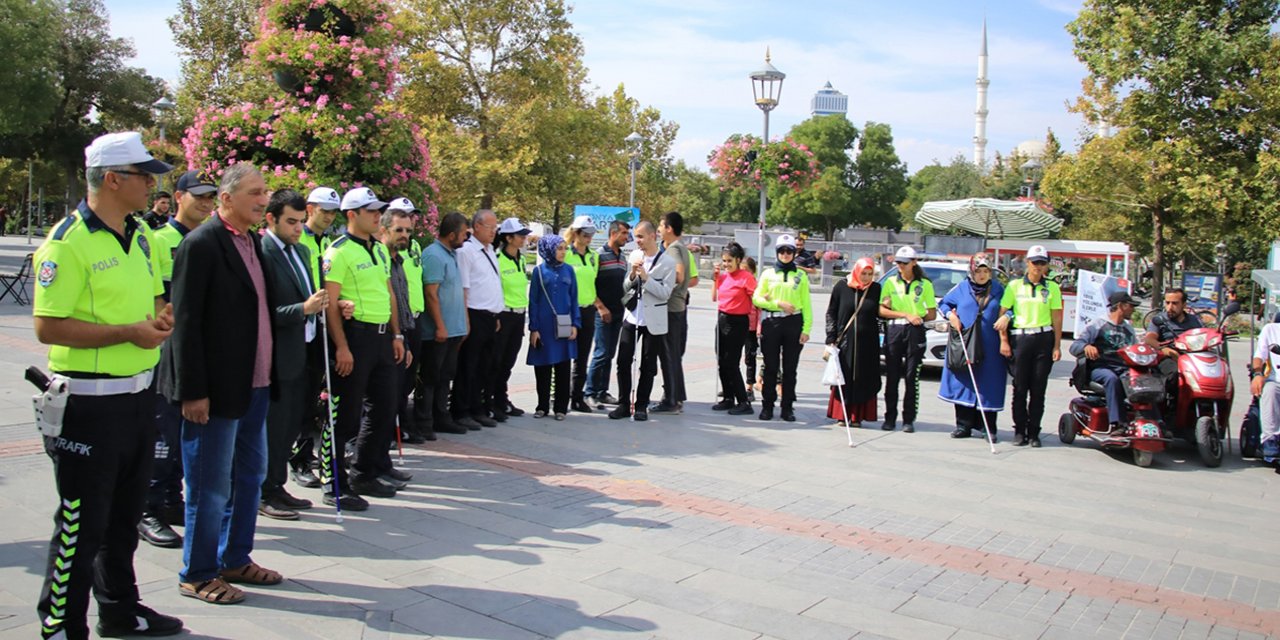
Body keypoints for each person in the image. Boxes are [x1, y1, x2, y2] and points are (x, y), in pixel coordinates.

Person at [33, 132, 182, 639]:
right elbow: (48, 326)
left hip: (138, 398)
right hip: (89, 406)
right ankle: (60, 625)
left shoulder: (139, 235)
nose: (152, 184)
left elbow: (137, 306)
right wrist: (128, 333)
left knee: (122, 522)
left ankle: (119, 609)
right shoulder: (67, 241)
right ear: (113, 179)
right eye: (144, 175)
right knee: (80, 526)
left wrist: (156, 322)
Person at [160, 162, 281, 605]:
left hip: (256, 385)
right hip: (216, 391)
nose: (263, 198)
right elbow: (186, 325)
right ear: (226, 199)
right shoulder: (201, 244)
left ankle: (235, 557)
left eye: (265, 190)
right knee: (210, 487)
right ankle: (197, 572)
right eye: (254, 191)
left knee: (250, 476)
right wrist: (193, 390)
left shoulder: (252, 241)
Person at [139, 169, 217, 549]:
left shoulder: (209, 239)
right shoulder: (159, 240)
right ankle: (148, 506)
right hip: (165, 350)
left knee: (185, 431)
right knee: (163, 431)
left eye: (210, 197)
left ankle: (170, 498)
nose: (205, 203)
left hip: (199, 349)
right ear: (179, 197)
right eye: (198, 195)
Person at [321, 187, 408, 506]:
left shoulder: (380, 250)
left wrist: (396, 335)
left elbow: (389, 296)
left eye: (378, 210)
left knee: (384, 407)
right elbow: (330, 304)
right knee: (344, 416)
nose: (377, 215)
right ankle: (334, 483)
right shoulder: (339, 251)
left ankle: (364, 472)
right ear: (351, 215)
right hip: (355, 337)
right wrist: (341, 347)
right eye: (371, 210)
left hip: (383, 337)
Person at [258, 190, 328, 520]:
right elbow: (262, 312)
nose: (298, 228)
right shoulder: (263, 251)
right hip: (276, 355)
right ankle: (263, 489)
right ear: (270, 218)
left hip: (304, 349)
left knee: (291, 425)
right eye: (291, 222)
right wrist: (303, 308)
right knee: (274, 426)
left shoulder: (300, 250)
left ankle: (277, 484)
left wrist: (322, 307)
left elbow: (308, 295)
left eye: (301, 222)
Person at [288, 187, 342, 488]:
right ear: (310, 209)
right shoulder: (299, 239)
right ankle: (298, 457)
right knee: (303, 397)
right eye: (324, 211)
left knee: (319, 397)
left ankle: (311, 454)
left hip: (323, 324)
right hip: (301, 326)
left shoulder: (328, 243)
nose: (329, 217)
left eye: (333, 212)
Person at [994, 245, 1063, 447]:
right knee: (1020, 387)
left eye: (1042, 263)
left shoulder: (1052, 287)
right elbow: (1003, 313)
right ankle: (1019, 430)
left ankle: (1034, 432)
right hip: (1021, 339)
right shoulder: (1015, 286)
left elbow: (1057, 318)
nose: (1038, 267)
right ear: (1027, 262)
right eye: (1035, 262)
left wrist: (1057, 346)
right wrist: (1004, 341)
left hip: (1043, 338)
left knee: (1038, 388)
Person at [609, 220, 676, 422]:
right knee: (623, 361)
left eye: (640, 236)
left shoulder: (668, 262)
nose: (636, 241)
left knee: (648, 365)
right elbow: (625, 286)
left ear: (652, 236)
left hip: (653, 319)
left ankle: (641, 406)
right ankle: (623, 404)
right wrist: (631, 275)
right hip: (632, 316)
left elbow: (665, 293)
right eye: (635, 236)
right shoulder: (635, 256)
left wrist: (647, 279)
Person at [938, 254, 1009, 440]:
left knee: (989, 382)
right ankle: (963, 425)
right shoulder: (962, 288)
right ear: (972, 271)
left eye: (986, 271)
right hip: (966, 341)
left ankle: (988, 427)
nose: (982, 275)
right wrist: (951, 316)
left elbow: (1011, 308)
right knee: (965, 379)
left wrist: (1006, 316)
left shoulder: (999, 290)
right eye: (979, 271)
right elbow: (944, 303)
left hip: (990, 344)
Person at [382, 199, 430, 444]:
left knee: (408, 378)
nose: (410, 222)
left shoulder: (414, 248)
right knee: (392, 381)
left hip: (413, 318)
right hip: (394, 322)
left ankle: (402, 423)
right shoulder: (384, 253)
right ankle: (390, 429)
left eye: (412, 218)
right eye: (404, 218)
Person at [419, 212, 471, 435]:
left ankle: (442, 417)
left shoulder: (451, 255)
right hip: (438, 332)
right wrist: (440, 325)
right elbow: (431, 294)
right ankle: (424, 421)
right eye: (463, 233)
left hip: (453, 330)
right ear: (451, 234)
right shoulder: (433, 255)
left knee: (446, 375)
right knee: (431, 377)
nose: (465, 238)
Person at [753, 234, 813, 422]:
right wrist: (778, 304)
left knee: (790, 368)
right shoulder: (767, 274)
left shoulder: (801, 275)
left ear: (794, 253)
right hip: (772, 322)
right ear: (777, 252)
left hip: (793, 323)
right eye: (782, 251)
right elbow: (757, 298)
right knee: (770, 366)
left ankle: (787, 407)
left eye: (789, 251)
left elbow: (806, 304)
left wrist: (806, 329)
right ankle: (767, 406)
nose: (785, 255)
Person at [452, 209, 504, 429]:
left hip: (490, 316)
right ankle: (460, 410)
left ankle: (478, 408)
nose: (494, 231)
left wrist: (497, 313)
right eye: (490, 227)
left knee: (485, 366)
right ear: (477, 227)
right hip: (474, 313)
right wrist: (465, 319)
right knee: (468, 366)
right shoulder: (467, 251)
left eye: (495, 227)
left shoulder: (490, 250)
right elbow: (464, 287)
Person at [879, 246, 936, 432]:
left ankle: (908, 419)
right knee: (892, 375)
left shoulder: (925, 284)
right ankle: (889, 417)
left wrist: (918, 316)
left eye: (904, 263)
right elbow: (881, 310)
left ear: (913, 262)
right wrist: (904, 314)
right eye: (898, 263)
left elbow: (932, 313)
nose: (900, 266)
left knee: (912, 376)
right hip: (895, 329)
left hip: (915, 331)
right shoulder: (890, 282)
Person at [1069, 291, 1139, 432]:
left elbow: (1136, 349)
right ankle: (1117, 424)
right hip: (1100, 368)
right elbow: (1074, 346)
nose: (1133, 309)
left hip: (1123, 368)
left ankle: (1153, 421)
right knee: (1111, 379)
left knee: (1142, 380)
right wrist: (1086, 346)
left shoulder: (1128, 329)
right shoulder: (1097, 325)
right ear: (1121, 306)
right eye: (1130, 306)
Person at [528, 235, 580, 419]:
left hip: (564, 326)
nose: (563, 252)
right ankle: (542, 406)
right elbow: (533, 300)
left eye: (564, 248)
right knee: (542, 366)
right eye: (559, 248)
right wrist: (534, 328)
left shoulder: (569, 271)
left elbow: (574, 299)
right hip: (544, 326)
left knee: (563, 367)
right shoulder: (539, 272)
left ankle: (560, 408)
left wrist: (575, 323)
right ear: (549, 249)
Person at [825, 257, 882, 427]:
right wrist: (831, 337)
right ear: (856, 271)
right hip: (845, 343)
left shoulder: (876, 289)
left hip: (868, 344)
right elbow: (831, 312)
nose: (866, 277)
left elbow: (880, 313)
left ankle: (858, 416)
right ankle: (842, 415)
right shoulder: (842, 287)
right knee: (844, 376)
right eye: (863, 273)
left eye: (870, 274)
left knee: (864, 377)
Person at [584, 220, 630, 408]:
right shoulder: (599, 256)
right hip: (602, 313)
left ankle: (603, 391)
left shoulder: (624, 257)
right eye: (624, 233)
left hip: (619, 312)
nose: (627, 237)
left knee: (610, 353)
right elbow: (590, 285)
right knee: (601, 353)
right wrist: (601, 307)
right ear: (613, 233)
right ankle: (590, 392)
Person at [651, 212, 691, 414]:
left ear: (669, 228)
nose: (658, 229)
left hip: (670, 308)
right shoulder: (679, 248)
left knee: (668, 355)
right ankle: (676, 397)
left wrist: (657, 283)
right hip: (677, 309)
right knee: (672, 354)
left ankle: (672, 400)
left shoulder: (674, 249)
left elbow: (679, 275)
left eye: (660, 225)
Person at [493, 217, 533, 421]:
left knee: (509, 360)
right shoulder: (497, 259)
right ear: (508, 238)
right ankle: (493, 401)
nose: (524, 239)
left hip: (519, 315)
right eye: (520, 235)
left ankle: (502, 398)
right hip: (504, 315)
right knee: (497, 360)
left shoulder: (522, 258)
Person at [711, 242, 756, 415]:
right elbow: (714, 297)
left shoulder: (746, 277)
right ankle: (728, 398)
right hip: (722, 319)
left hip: (738, 322)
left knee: (732, 363)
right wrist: (716, 278)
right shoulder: (722, 276)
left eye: (730, 260)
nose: (726, 264)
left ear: (738, 260)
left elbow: (756, 298)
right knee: (721, 361)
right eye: (724, 261)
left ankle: (743, 401)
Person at [564, 216, 601, 413]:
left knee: (582, 356)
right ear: (576, 233)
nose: (589, 238)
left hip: (587, 310)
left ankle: (577, 397)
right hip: (569, 310)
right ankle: (559, 395)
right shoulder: (566, 254)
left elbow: (593, 283)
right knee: (563, 354)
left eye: (591, 235)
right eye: (586, 234)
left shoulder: (593, 256)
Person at [1249, 319, 1280, 465]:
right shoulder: (1271, 329)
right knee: (1270, 390)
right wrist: (1257, 374)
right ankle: (1270, 441)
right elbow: (1259, 356)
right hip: (1276, 381)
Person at [744, 256, 760, 401]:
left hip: (752, 327)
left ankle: (749, 386)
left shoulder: (756, 286)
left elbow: (760, 308)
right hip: (738, 323)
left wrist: (760, 325)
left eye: (747, 271)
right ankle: (730, 384)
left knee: (750, 357)